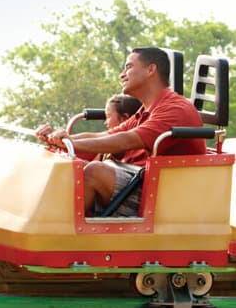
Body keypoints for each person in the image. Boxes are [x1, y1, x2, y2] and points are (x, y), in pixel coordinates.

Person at [36, 47, 206, 217]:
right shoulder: (146, 110)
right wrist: (61, 140)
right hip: (141, 182)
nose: (122, 75)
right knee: (71, 170)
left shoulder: (175, 109)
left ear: (150, 70)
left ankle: (58, 233)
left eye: (129, 67)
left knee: (94, 172)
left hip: (165, 198)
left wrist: (72, 143)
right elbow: (105, 136)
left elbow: (127, 140)